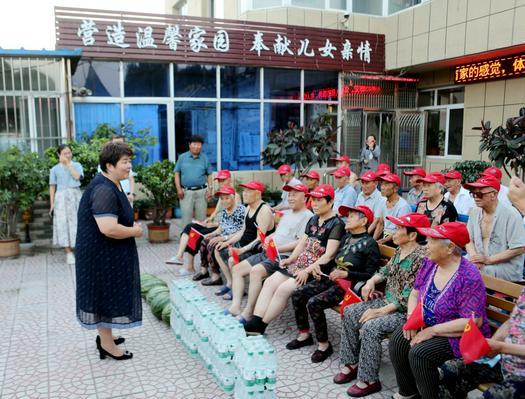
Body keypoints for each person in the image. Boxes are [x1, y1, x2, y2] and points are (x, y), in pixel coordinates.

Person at [389, 222, 490, 399]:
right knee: (399, 340)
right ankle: (408, 393)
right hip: (429, 323)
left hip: (458, 335)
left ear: (450, 247)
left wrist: (432, 330)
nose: (425, 245)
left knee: (420, 354)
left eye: (431, 241)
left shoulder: (469, 276)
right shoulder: (430, 263)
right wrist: (411, 320)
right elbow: (414, 294)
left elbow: (473, 321)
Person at [334, 213, 429, 397]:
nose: (394, 231)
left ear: (412, 235)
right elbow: (385, 270)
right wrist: (371, 281)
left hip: (404, 312)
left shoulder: (422, 257)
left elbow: (409, 295)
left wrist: (380, 311)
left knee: (371, 326)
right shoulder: (400, 250)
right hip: (386, 301)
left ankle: (369, 379)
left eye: (400, 228)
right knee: (351, 311)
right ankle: (352, 363)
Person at [243, 184, 345, 335]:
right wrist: (291, 259)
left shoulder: (337, 224)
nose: (314, 203)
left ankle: (261, 326)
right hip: (300, 263)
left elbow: (328, 255)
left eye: (319, 200)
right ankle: (256, 319)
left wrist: (306, 270)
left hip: (317, 270)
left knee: (283, 289)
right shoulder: (314, 219)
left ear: (330, 202)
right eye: (313, 200)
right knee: (270, 282)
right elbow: (303, 242)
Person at [75, 142, 144, 361]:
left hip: (106, 254)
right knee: (104, 295)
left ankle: (107, 336)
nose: (129, 166)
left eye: (129, 161)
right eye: (125, 162)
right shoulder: (104, 189)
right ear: (109, 165)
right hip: (100, 256)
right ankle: (106, 345)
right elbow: (108, 228)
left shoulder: (112, 183)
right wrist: (134, 231)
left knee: (106, 293)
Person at [287, 205, 380, 364]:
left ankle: (324, 345)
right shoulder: (346, 238)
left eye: (351, 216)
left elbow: (370, 274)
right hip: (333, 280)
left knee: (314, 302)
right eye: (347, 216)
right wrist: (318, 268)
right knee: (297, 293)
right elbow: (334, 262)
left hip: (349, 287)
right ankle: (304, 335)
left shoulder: (370, 243)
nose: (347, 219)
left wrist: (347, 274)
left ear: (363, 221)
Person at [227, 183, 313, 319]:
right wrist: (268, 238)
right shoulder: (287, 213)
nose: (290, 198)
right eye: (289, 195)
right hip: (269, 251)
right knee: (237, 269)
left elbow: (301, 242)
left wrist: (278, 248)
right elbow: (278, 233)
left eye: (294, 195)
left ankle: (248, 312)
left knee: (256, 271)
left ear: (305, 198)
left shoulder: (308, 216)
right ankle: (235, 307)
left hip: (283, 256)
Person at [438, 287, 525, 399]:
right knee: (450, 369)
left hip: (521, 375)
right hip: (504, 362)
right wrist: (491, 344)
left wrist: (501, 347)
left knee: (492, 395)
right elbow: (511, 322)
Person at [165, 169, 238, 276]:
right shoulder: (222, 195)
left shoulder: (234, 196)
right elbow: (215, 213)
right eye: (219, 181)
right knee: (190, 227)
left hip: (222, 229)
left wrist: (212, 224)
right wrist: (207, 220)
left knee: (193, 233)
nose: (220, 183)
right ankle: (180, 257)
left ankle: (187, 264)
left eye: (223, 180)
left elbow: (232, 222)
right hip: (214, 224)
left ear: (230, 180)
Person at [210, 181, 275, 299]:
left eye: (248, 191)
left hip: (256, 249)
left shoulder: (264, 211)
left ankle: (238, 289)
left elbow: (259, 239)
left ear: (258, 194)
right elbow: (242, 231)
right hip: (244, 244)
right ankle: (230, 283)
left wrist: (241, 250)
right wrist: (227, 242)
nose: (244, 194)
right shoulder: (248, 207)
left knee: (232, 260)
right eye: (244, 191)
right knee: (218, 249)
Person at [464, 175, 525, 281]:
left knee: (475, 272)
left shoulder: (512, 214)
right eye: (473, 194)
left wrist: (488, 260)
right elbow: (468, 239)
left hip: (505, 266)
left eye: (479, 194)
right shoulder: (474, 211)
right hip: (480, 262)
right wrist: (474, 258)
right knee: (452, 264)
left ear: (494, 194)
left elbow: (518, 248)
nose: (476, 198)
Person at [193, 186, 245, 286]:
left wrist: (223, 238)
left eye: (227, 198)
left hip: (234, 240)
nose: (224, 201)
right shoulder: (224, 212)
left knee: (213, 244)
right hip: (224, 237)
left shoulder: (241, 211)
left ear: (233, 197)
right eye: (221, 199)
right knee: (204, 241)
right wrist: (212, 234)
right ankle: (204, 271)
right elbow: (221, 228)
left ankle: (216, 276)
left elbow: (241, 231)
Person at [49, 144, 84, 265]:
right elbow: (52, 187)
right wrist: (52, 203)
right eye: (64, 153)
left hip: (75, 196)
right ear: (59, 155)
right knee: (63, 224)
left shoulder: (77, 165)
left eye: (69, 152)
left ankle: (80, 250)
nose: (67, 155)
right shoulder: (54, 169)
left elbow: (77, 177)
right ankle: (68, 252)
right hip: (61, 198)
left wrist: (69, 165)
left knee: (78, 221)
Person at [174, 135, 213, 228]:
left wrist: (210, 189)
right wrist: (178, 189)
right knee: (186, 218)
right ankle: (186, 240)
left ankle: (200, 240)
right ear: (189, 145)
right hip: (186, 192)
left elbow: (210, 174)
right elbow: (176, 174)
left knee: (201, 219)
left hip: (201, 192)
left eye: (199, 144)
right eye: (194, 144)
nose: (197, 147)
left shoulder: (204, 158)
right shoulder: (182, 157)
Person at [374, 173, 412, 246]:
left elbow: (400, 230)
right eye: (382, 184)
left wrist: (383, 241)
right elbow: (380, 224)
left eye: (386, 185)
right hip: (385, 237)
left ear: (396, 189)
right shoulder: (383, 201)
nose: (382, 187)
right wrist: (373, 241)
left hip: (397, 239)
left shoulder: (403, 206)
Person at [97, 134, 136, 204]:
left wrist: (132, 194)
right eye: (116, 144)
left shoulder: (125, 164)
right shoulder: (104, 165)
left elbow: (131, 178)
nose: (129, 166)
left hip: (126, 194)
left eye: (121, 143)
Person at [355, 171, 385, 235]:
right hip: (359, 227)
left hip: (372, 230)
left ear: (376, 183)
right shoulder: (360, 195)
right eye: (362, 183)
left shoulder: (381, 198)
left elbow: (376, 221)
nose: (364, 186)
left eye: (367, 183)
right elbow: (356, 213)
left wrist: (364, 235)